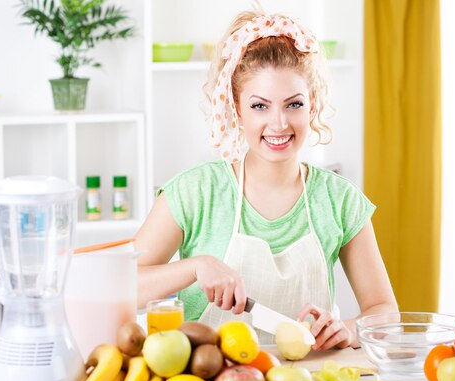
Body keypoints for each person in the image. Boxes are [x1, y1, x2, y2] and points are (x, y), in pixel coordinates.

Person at [134, 10, 398, 349]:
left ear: (312, 106)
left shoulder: (339, 200)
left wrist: (348, 329)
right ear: (236, 108)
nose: (279, 123)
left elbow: (384, 311)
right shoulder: (194, 192)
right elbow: (122, 289)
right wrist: (195, 267)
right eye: (260, 106)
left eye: (294, 104)